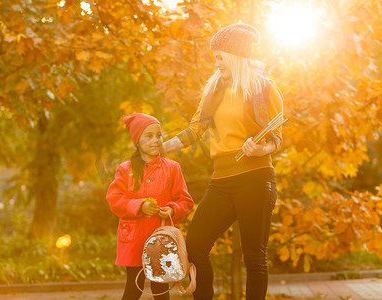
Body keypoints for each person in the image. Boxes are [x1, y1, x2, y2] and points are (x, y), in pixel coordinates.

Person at [161, 23, 284, 300]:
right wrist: (163, 147)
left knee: (254, 257)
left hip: (255, 178)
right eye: (214, 57)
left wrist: (259, 148)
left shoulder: (264, 90)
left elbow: (276, 138)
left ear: (235, 56)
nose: (216, 64)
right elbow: (196, 130)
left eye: (220, 57)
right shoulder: (214, 90)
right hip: (221, 181)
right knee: (195, 245)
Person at [106, 113, 194, 300]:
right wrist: (139, 206)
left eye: (159, 135)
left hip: (161, 236)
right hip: (133, 235)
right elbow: (114, 199)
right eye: (149, 136)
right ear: (137, 141)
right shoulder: (125, 169)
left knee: (160, 288)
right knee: (134, 287)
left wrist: (172, 209)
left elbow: (185, 200)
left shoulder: (172, 168)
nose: (155, 140)